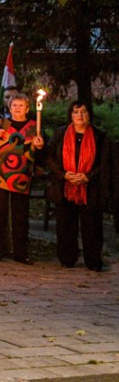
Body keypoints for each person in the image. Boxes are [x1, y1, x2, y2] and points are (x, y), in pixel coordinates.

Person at [47, 101, 112, 271]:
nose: (80, 116)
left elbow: (104, 163)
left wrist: (87, 176)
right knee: (65, 225)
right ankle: (67, 258)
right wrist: (64, 174)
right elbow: (50, 157)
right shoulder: (60, 134)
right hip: (65, 186)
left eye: (83, 112)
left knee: (92, 226)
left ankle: (93, 260)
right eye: (76, 112)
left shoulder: (99, 136)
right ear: (71, 115)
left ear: (89, 114)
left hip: (89, 187)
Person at [0, 93, 44, 264]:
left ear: (27, 108)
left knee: (20, 216)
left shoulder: (34, 126)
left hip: (22, 176)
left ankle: (21, 252)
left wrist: (40, 145)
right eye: (14, 105)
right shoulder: (3, 123)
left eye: (20, 105)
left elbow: (40, 151)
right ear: (9, 108)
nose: (17, 108)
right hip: (0, 174)